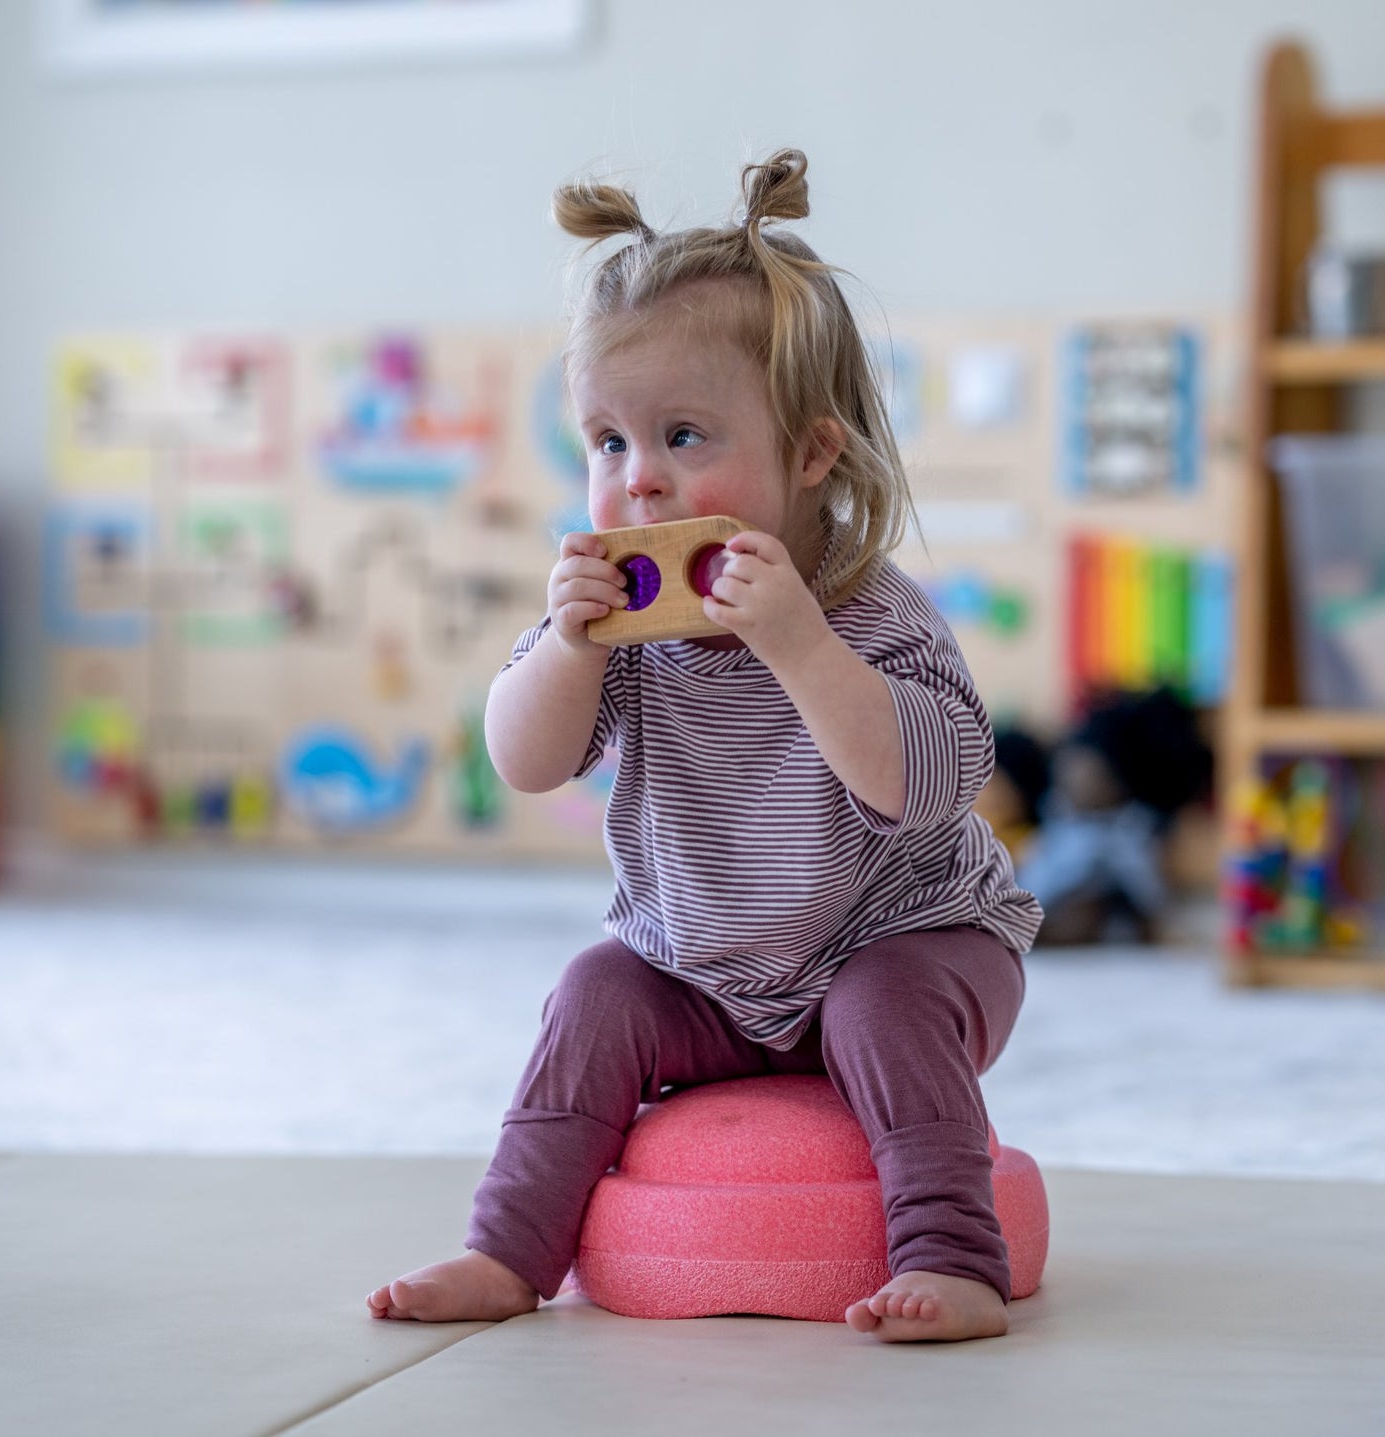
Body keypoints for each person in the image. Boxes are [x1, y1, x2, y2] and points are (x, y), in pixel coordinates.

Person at [368, 148, 1042, 1343]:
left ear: (813, 454)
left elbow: (930, 784)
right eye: (608, 443)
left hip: (904, 944)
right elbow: (523, 761)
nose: (640, 486)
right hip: (706, 974)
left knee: (882, 1006)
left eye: (683, 436)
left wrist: (797, 645)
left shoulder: (870, 613)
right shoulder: (619, 627)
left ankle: (953, 1255)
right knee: (592, 993)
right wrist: (566, 650)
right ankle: (508, 1249)